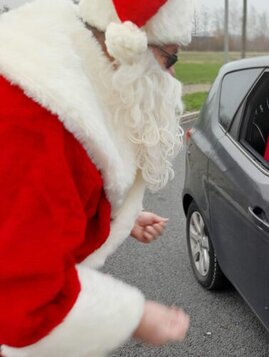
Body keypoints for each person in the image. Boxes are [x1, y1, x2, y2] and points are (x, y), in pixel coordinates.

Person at [0, 0, 193, 355]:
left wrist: (118, 217)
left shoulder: (58, 72)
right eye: (171, 58)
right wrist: (134, 316)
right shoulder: (39, 122)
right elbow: (25, 303)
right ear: (128, 44)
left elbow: (34, 209)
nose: (173, 78)